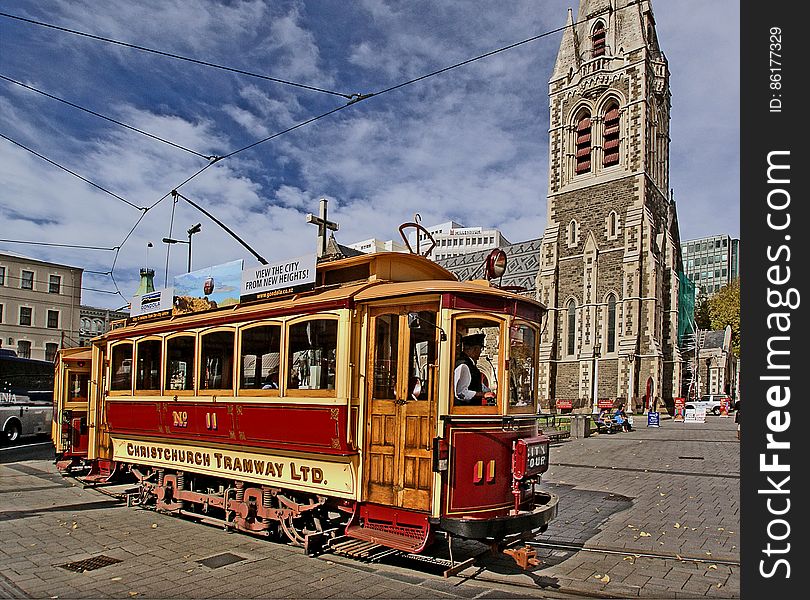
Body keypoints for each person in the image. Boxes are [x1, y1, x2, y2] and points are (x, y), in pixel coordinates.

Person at [454, 333, 496, 405]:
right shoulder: (464, 365)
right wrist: (483, 395)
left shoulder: (471, 365)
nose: (480, 352)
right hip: (464, 411)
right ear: (475, 349)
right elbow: (460, 393)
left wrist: (489, 392)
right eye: (480, 349)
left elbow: (476, 384)